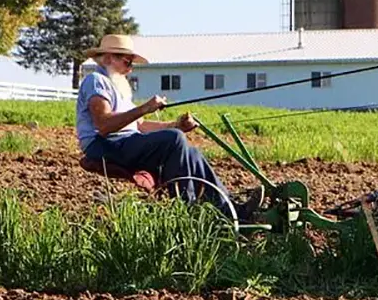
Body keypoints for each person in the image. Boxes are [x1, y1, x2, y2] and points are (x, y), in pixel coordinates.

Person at [76, 33, 263, 220]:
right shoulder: (96, 81)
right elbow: (103, 124)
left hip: (125, 142)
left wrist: (176, 125)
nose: (130, 69)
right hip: (103, 145)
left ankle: (230, 211)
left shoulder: (117, 87)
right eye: (127, 62)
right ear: (108, 58)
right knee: (173, 139)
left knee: (192, 153)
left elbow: (139, 126)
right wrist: (145, 108)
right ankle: (185, 210)